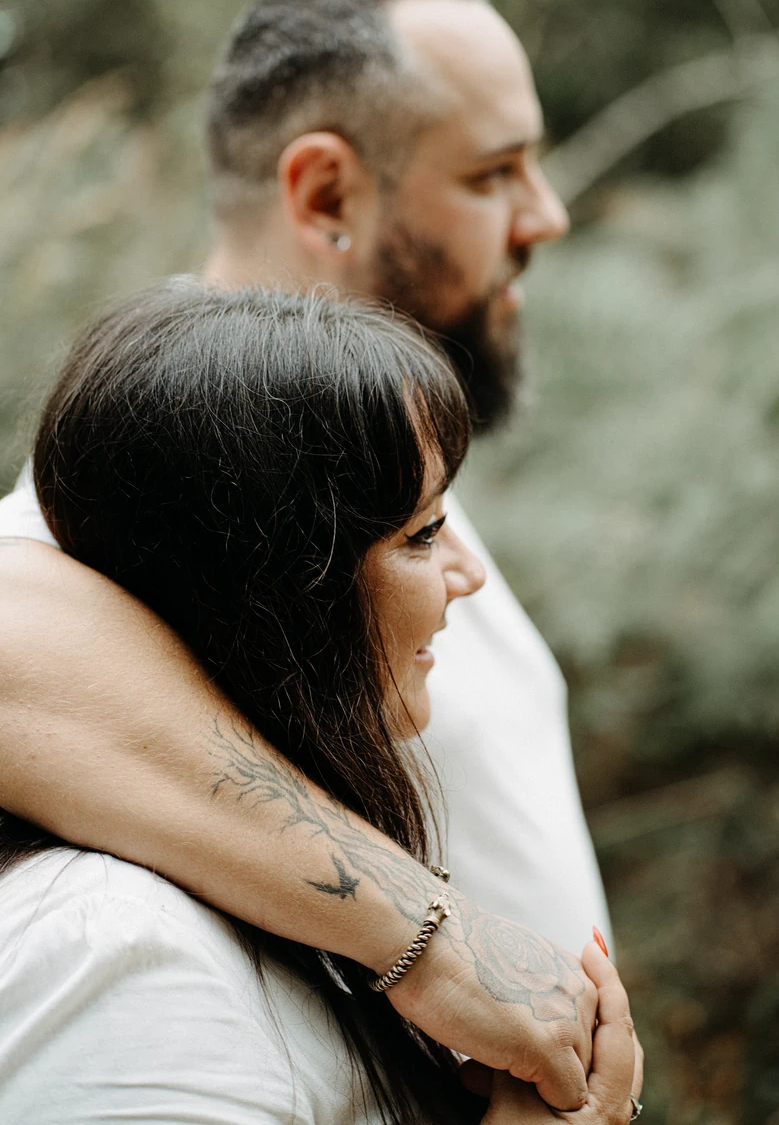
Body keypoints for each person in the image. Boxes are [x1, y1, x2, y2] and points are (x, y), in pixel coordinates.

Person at [0, 0, 624, 1110]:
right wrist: (434, 947)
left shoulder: (381, 477)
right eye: (494, 172)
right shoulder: (148, 504)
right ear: (327, 195)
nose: (547, 213)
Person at [0, 281, 642, 1125]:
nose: (468, 577)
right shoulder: (122, 951)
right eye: (420, 533)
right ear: (272, 591)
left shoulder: (291, 905)